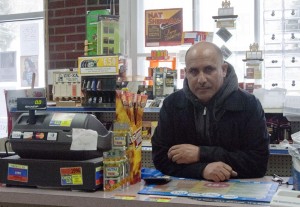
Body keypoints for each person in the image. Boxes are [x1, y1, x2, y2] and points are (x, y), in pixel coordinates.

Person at [151, 42, 269, 182]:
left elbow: (258, 162)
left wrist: (201, 154)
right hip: (184, 197)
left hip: (238, 195)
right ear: (186, 73)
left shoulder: (248, 104)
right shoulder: (172, 104)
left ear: (223, 70)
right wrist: (202, 170)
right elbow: (160, 159)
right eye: (193, 71)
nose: (201, 79)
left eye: (208, 70)